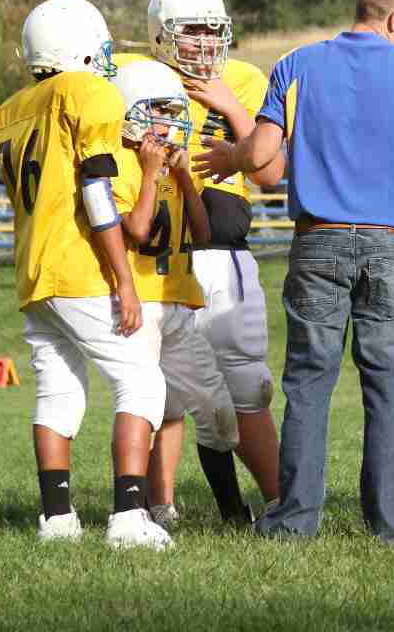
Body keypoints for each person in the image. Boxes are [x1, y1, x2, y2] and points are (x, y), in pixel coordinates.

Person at [197, 0, 394, 545]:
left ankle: (295, 520)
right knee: (389, 385)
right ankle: (391, 524)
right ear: (393, 19)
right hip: (390, 246)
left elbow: (264, 155)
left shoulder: (296, 65)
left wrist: (233, 154)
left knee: (310, 383)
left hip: (318, 241)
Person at [0, 0, 170, 550]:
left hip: (32, 272)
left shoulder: (12, 109)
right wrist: (122, 277)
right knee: (141, 378)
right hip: (77, 266)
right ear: (82, 46)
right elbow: (95, 189)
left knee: (57, 391)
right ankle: (128, 518)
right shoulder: (88, 90)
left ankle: (58, 519)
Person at [147, 0, 286, 525]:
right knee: (164, 391)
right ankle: (160, 505)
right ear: (162, 36)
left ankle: (279, 503)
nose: (204, 42)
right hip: (162, 252)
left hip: (225, 251)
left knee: (247, 383)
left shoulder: (246, 79)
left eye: (213, 29)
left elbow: (272, 171)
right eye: (192, 30)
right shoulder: (142, 81)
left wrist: (233, 108)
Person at [106, 55, 234, 533]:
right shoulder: (120, 163)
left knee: (211, 410)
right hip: (138, 304)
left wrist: (180, 176)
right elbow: (137, 231)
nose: (168, 120)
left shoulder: (176, 166)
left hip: (180, 299)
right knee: (142, 404)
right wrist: (148, 174)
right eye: (157, 110)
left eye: (172, 109)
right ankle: (135, 508)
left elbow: (203, 232)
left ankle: (227, 510)